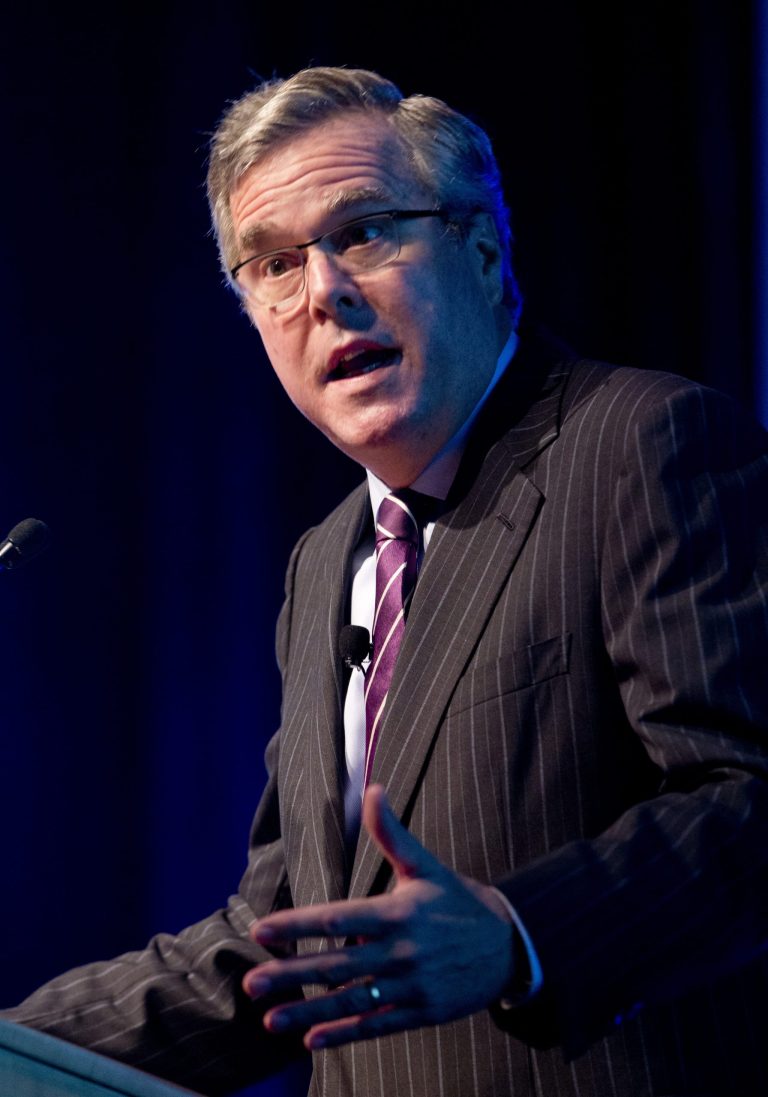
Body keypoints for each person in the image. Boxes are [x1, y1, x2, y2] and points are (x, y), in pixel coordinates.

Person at [4, 66, 768, 1097]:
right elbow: (285, 936)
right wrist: (21, 1048)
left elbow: (749, 798)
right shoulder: (326, 561)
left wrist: (516, 933)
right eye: (272, 263)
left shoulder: (640, 445)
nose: (322, 290)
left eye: (364, 231)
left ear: (486, 253)